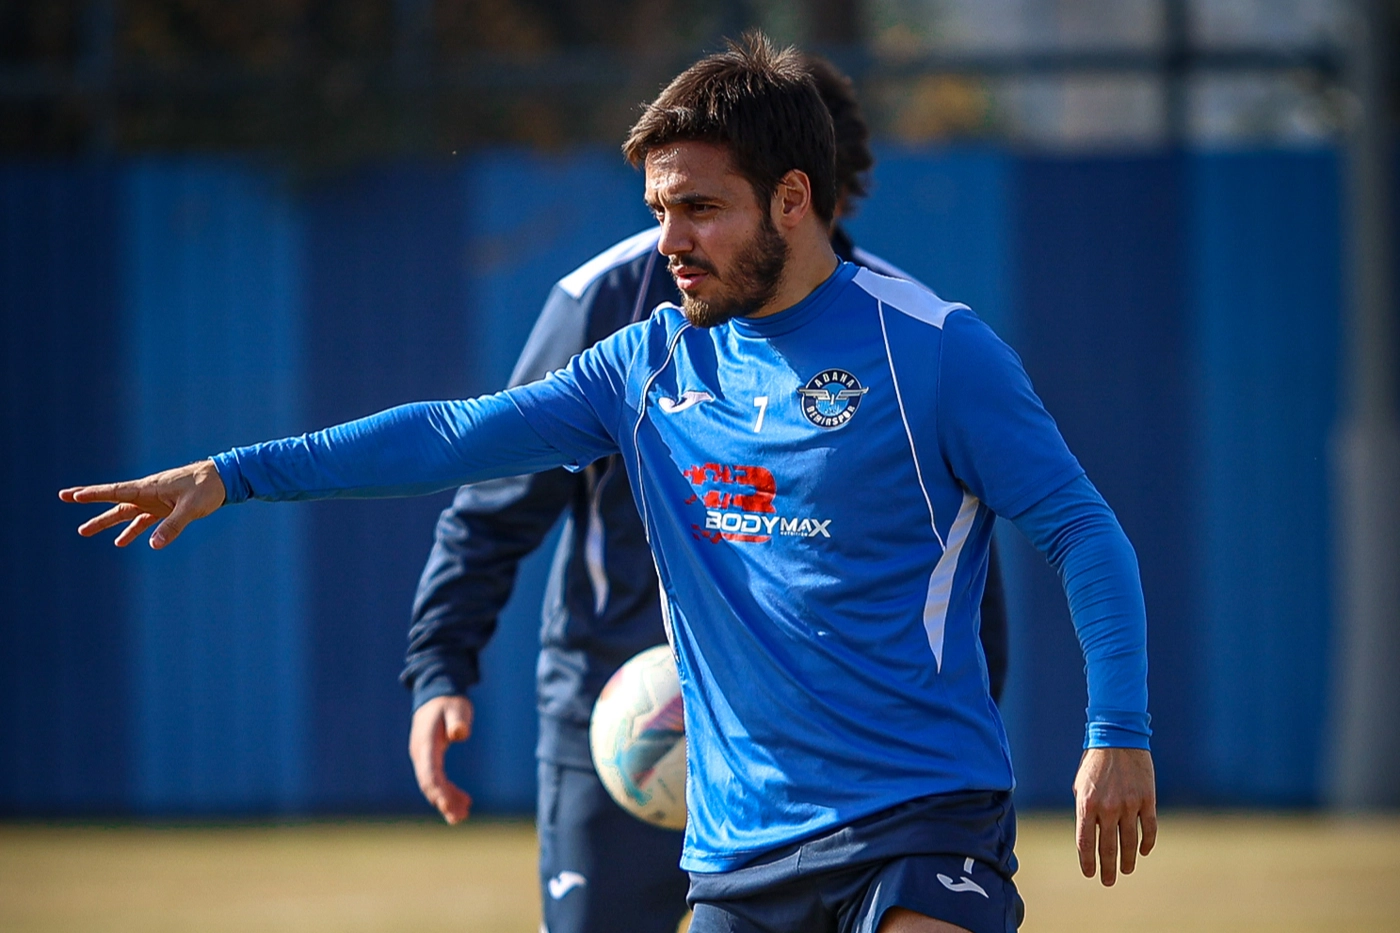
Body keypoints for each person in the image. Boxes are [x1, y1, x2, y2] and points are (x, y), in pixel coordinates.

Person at [62, 32, 1155, 933]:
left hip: (919, 816)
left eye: (698, 209)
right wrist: (233, 474)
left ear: (791, 199)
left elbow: (1079, 529)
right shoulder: (643, 364)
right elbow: (447, 436)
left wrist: (1116, 729)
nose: (668, 242)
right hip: (740, 849)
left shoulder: (936, 350)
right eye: (656, 210)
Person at [403, 55, 1011, 933]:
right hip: (622, 715)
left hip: (820, 748)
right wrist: (441, 664)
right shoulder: (610, 302)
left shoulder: (905, 328)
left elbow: (956, 552)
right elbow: (493, 496)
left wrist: (953, 758)